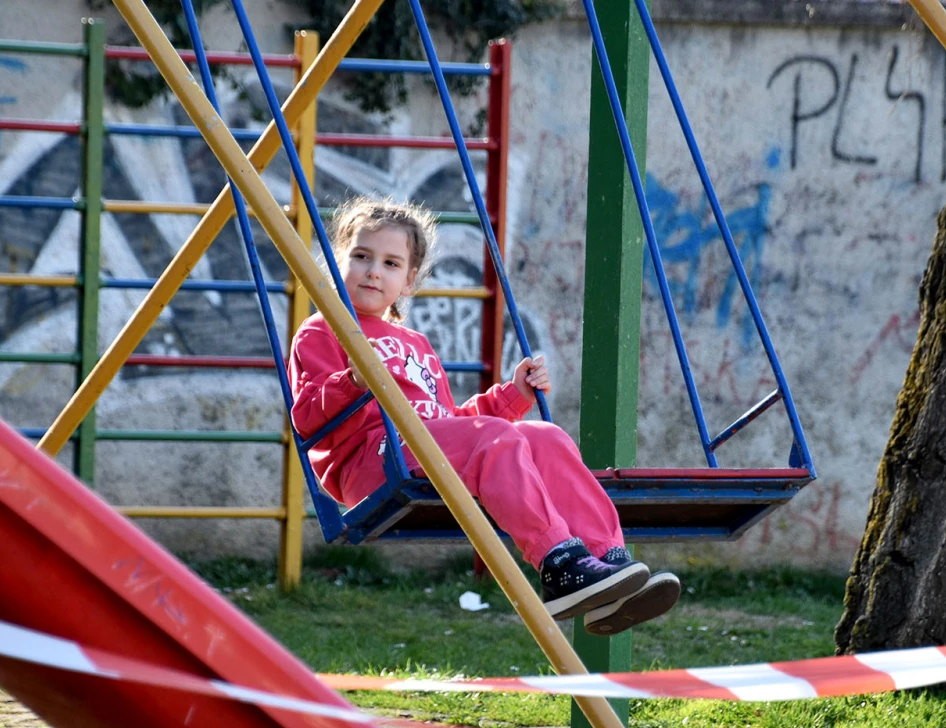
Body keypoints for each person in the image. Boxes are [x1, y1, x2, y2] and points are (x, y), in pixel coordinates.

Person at [287, 196, 680, 635]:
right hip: (371, 460)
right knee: (494, 439)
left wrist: (513, 396)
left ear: (409, 280)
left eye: (391, 263)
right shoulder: (324, 330)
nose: (374, 270)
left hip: (421, 447)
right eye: (361, 256)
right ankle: (559, 564)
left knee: (546, 437)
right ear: (338, 260)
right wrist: (351, 382)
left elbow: (450, 421)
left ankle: (606, 566)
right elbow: (305, 416)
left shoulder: (416, 343)